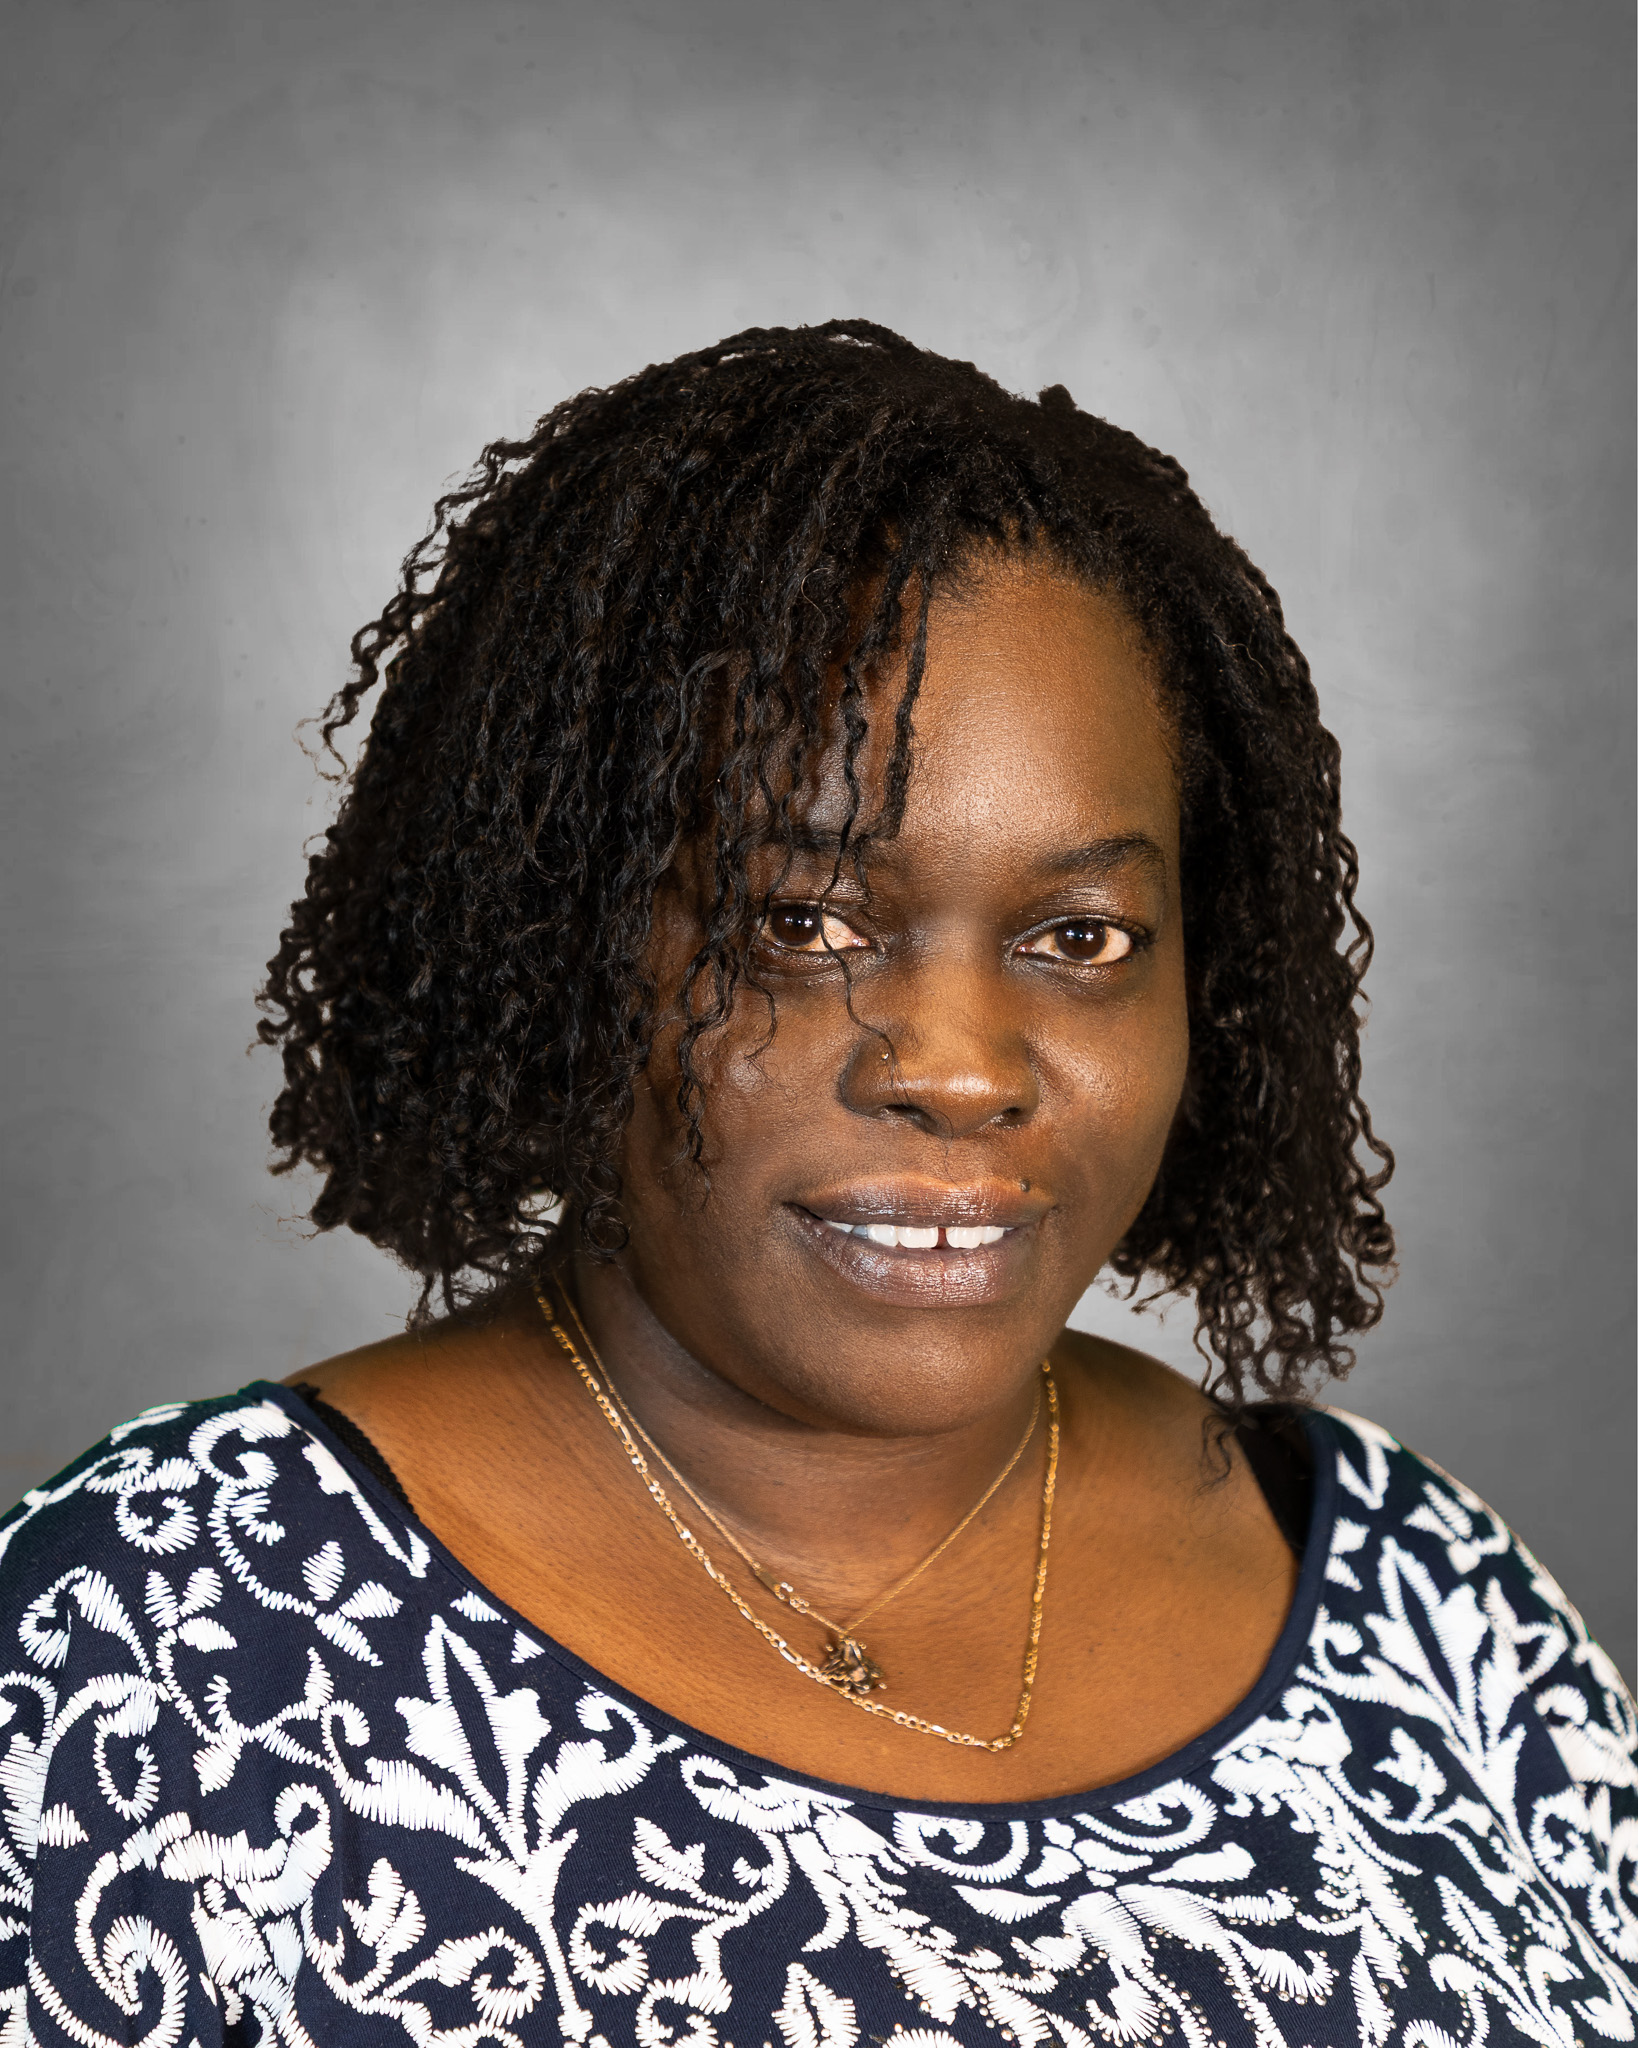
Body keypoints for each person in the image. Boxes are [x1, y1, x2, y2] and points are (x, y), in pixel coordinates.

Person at [1, 322, 1631, 2047]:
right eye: (804, 925)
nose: (959, 1067)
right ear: (569, 940)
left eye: (1079, 937)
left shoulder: (1421, 1601)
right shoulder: (149, 1646)